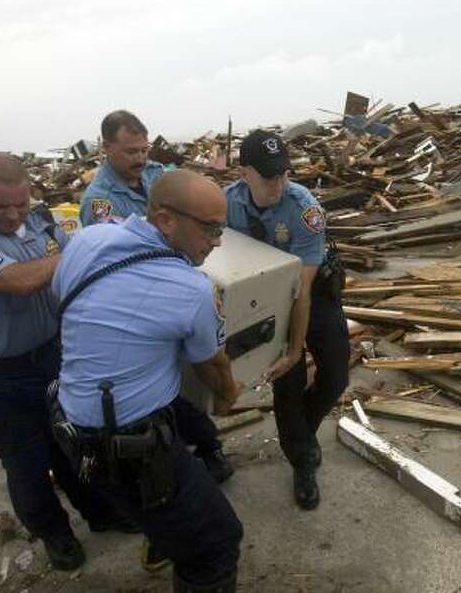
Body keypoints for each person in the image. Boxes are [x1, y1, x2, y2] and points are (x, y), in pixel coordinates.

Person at [0, 152, 132, 572]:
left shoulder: (41, 222)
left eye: (20, 204)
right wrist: (84, 250)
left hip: (52, 357)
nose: (12, 215)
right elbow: (19, 281)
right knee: (26, 463)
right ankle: (55, 535)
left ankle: (101, 513)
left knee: (73, 443)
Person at [51, 169, 243, 592]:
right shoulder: (192, 288)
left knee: (170, 517)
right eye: (210, 229)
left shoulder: (87, 239)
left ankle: (164, 537)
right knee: (216, 544)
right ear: (165, 220)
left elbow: (65, 302)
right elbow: (212, 365)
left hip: (73, 423)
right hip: (131, 451)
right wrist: (229, 397)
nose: (217, 242)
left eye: (221, 229)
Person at [80, 110, 232, 487]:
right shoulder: (100, 202)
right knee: (167, 387)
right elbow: (118, 270)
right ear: (106, 147)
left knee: (184, 378)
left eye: (144, 149)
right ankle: (186, 453)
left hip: (181, 285)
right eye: (130, 151)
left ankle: (206, 445)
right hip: (144, 305)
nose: (140, 158)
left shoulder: (156, 177)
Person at [225, 130, 349, 510]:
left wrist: (297, 348)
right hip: (266, 302)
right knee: (286, 383)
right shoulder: (226, 205)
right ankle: (302, 460)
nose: (278, 184)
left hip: (313, 294)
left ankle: (302, 435)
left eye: (284, 174)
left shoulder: (303, 209)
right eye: (268, 177)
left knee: (336, 375)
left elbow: (302, 289)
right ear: (244, 172)